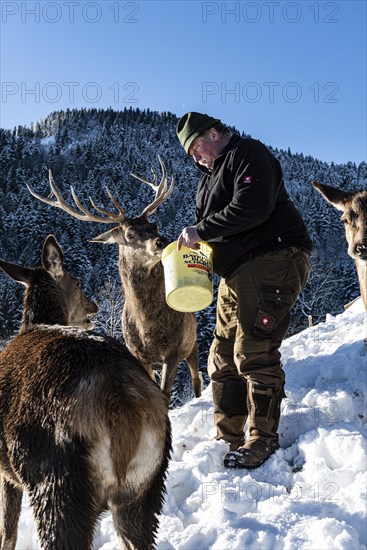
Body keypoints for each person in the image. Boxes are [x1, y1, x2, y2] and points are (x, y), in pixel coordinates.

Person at [176, 112, 312, 469]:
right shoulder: (208, 181)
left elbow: (252, 207)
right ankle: (227, 435)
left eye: (196, 147)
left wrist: (201, 231)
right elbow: (214, 232)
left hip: (273, 257)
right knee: (221, 355)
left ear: (215, 133)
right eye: (189, 153)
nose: (195, 157)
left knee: (254, 349)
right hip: (235, 273)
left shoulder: (246, 153)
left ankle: (262, 438)